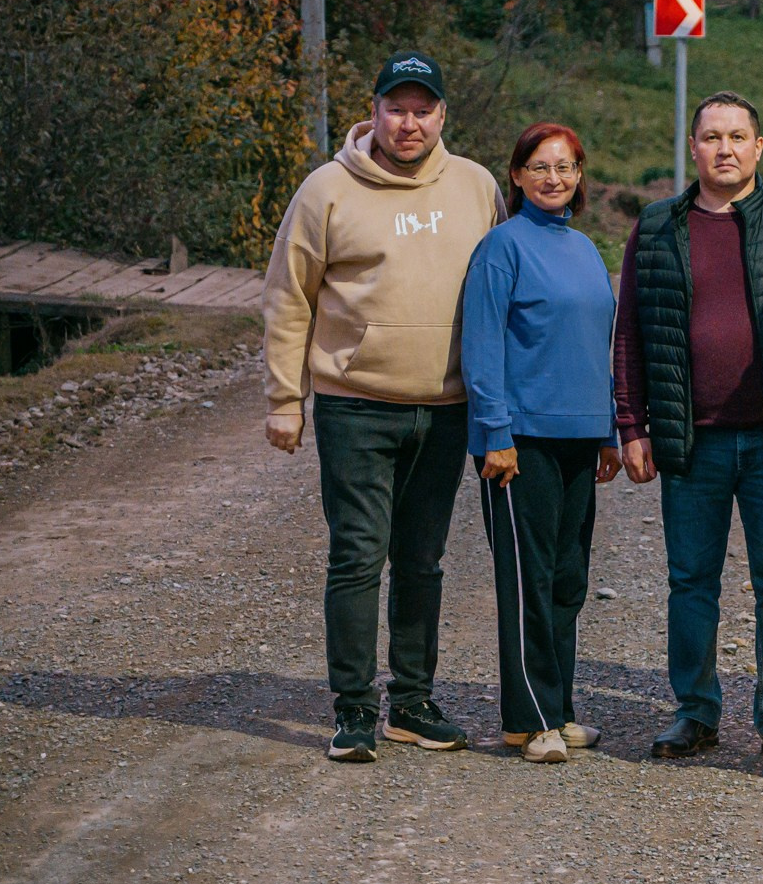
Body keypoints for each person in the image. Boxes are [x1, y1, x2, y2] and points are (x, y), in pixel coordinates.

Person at [262, 51, 504, 763]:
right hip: (355, 404)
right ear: (372, 111)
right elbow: (287, 296)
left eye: (421, 109)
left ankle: (413, 701)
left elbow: (500, 291)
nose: (408, 122)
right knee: (358, 555)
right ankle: (354, 710)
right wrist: (285, 398)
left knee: (423, 559)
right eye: (395, 108)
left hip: (446, 404)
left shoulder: (477, 186)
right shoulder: (326, 190)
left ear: (442, 116)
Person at [614, 92, 763, 766]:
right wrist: (631, 421)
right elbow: (631, 333)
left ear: (760, 147)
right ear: (692, 148)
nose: (724, 148)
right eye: (711, 137)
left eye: (737, 136)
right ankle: (695, 711)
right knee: (690, 579)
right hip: (690, 436)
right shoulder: (657, 225)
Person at [462, 123, 620, 764]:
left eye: (566, 167)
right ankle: (527, 720)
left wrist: (608, 428)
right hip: (519, 440)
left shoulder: (583, 248)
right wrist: (494, 433)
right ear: (518, 176)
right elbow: (482, 345)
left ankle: (557, 708)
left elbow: (593, 346)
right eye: (540, 166)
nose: (555, 178)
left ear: (579, 176)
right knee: (527, 580)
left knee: (566, 580)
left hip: (581, 437)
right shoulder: (501, 248)